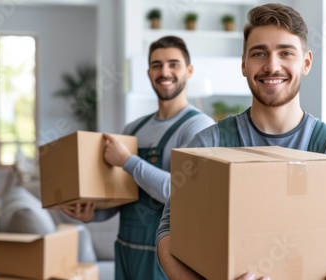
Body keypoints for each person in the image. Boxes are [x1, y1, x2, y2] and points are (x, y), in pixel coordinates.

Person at [156, 3, 326, 280]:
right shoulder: (207, 145)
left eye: (285, 53)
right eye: (259, 53)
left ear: (306, 63)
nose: (272, 66)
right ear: (243, 64)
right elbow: (169, 232)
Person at [62, 36, 216, 280]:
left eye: (173, 64)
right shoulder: (133, 128)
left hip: (165, 258)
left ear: (189, 71)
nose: (164, 71)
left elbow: (181, 194)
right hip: (125, 251)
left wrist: (128, 161)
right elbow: (124, 193)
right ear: (148, 72)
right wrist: (93, 215)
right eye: (156, 65)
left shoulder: (199, 126)